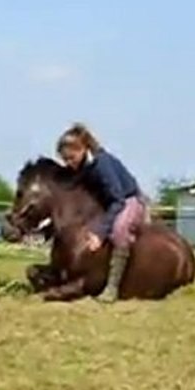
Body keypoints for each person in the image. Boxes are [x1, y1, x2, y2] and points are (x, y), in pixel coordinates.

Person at [56, 122, 146, 303]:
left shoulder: (102, 164)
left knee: (119, 230)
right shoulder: (83, 167)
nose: (69, 163)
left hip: (128, 200)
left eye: (71, 158)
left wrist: (99, 233)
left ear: (83, 149)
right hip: (108, 202)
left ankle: (112, 287)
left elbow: (118, 199)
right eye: (65, 160)